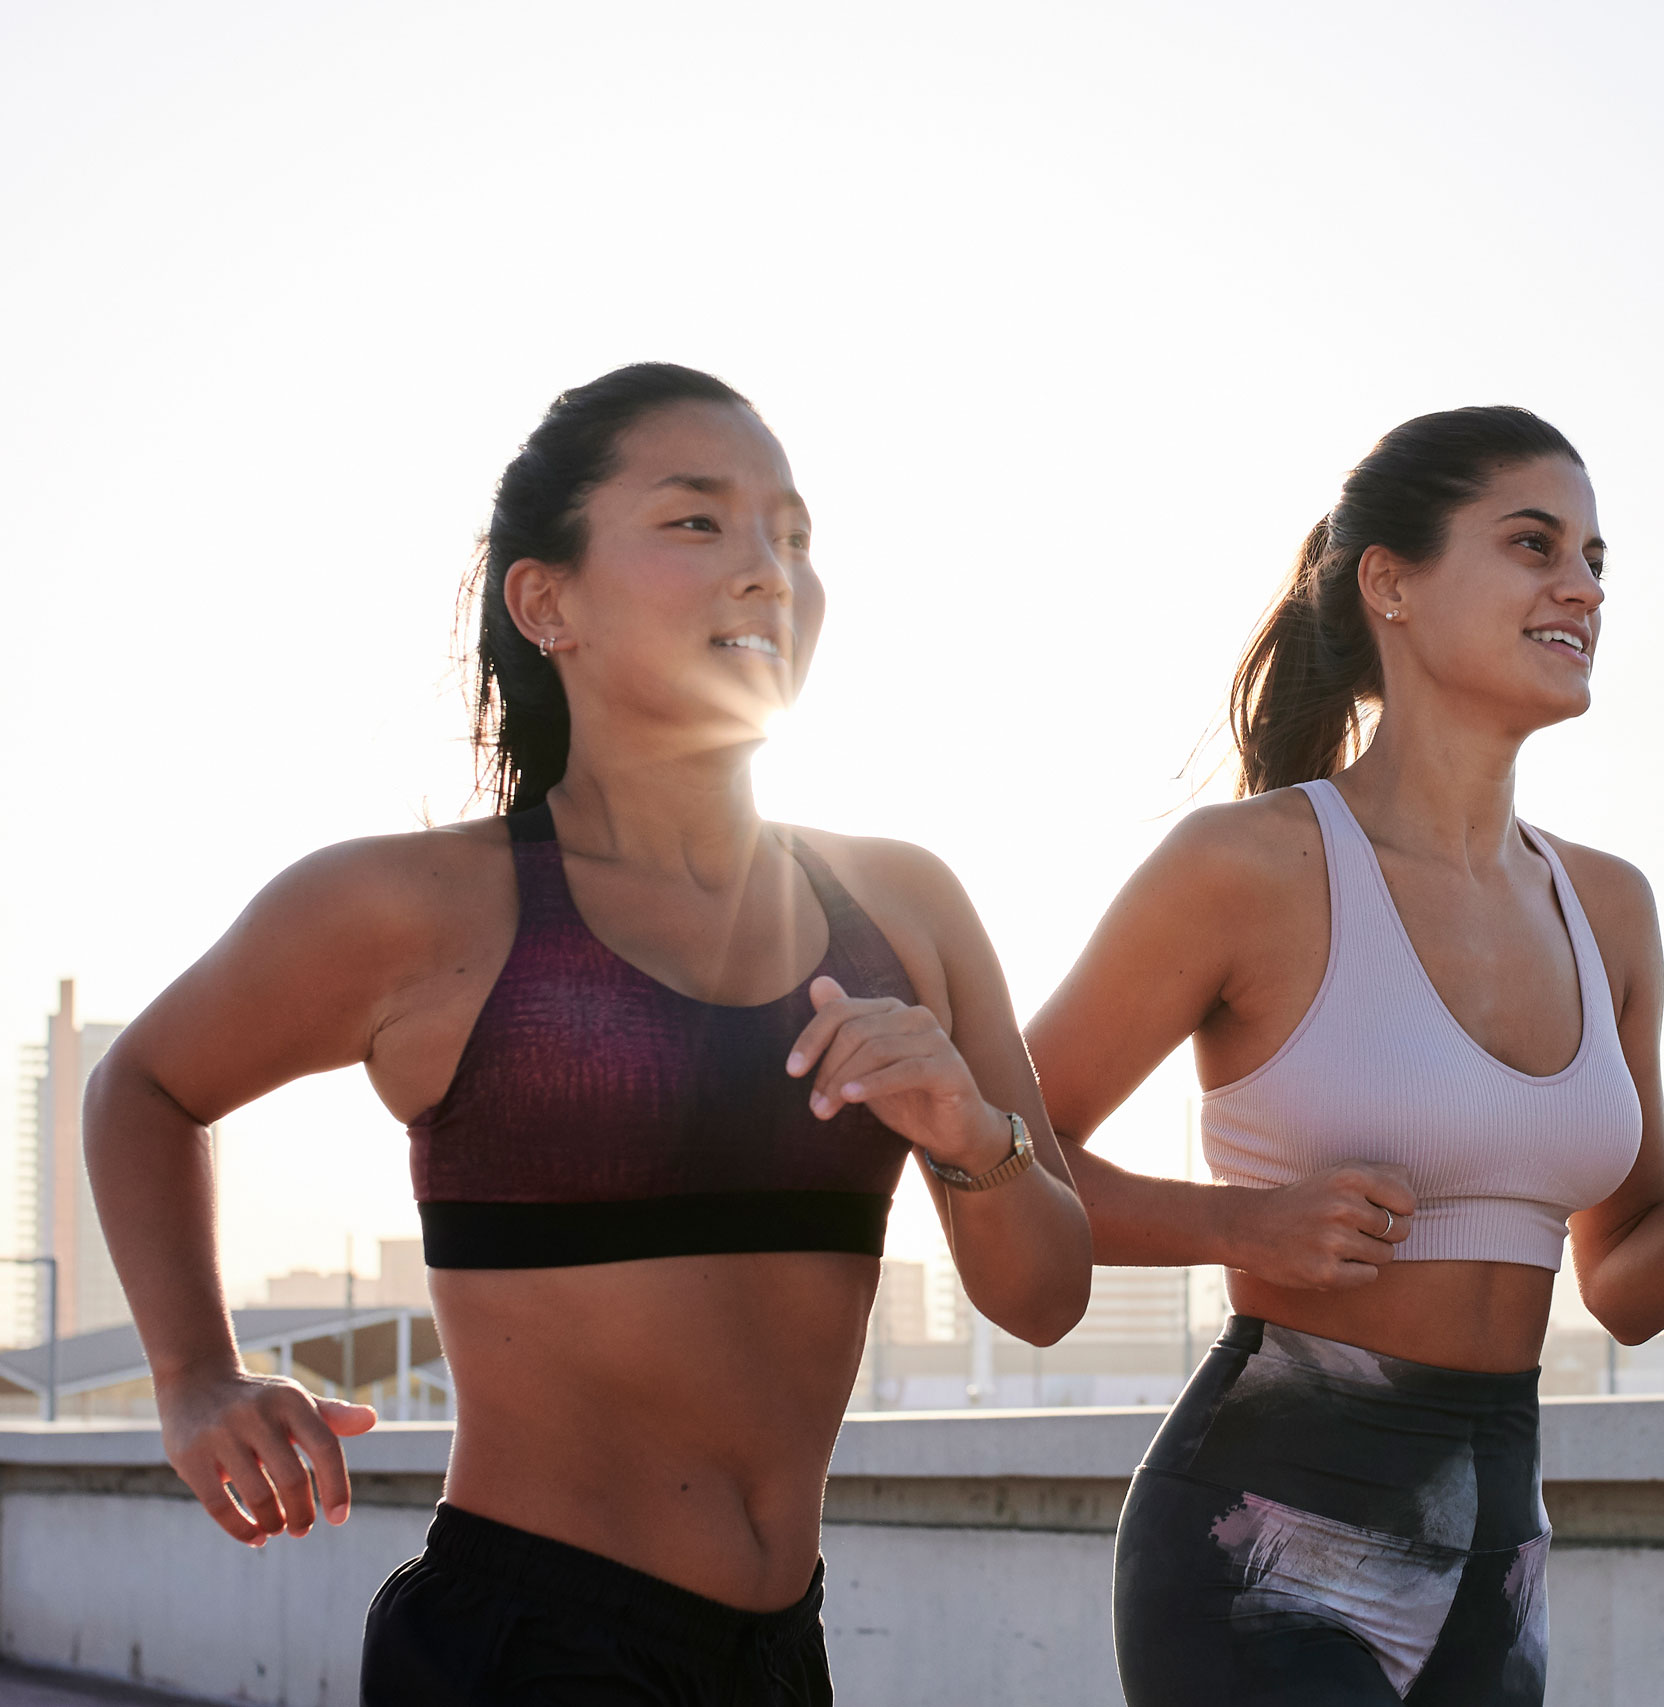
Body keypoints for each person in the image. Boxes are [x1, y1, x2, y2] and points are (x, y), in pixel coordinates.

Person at [84, 363, 1092, 1703]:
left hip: (781, 1659)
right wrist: (194, 1375)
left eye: (795, 536)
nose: (769, 569)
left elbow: (1045, 1299)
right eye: (698, 521)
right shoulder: (412, 908)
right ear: (546, 603)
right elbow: (146, 1085)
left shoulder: (904, 904)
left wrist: (971, 1133)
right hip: (529, 1650)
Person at [1025, 406, 1664, 1706]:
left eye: (1595, 560)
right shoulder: (1247, 867)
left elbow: (1624, 1285)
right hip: (1261, 1542)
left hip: (1497, 1561)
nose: (1583, 588)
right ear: (1390, 583)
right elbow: (1003, 1156)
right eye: (1533, 544)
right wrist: (1244, 1224)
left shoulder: (1608, 907)